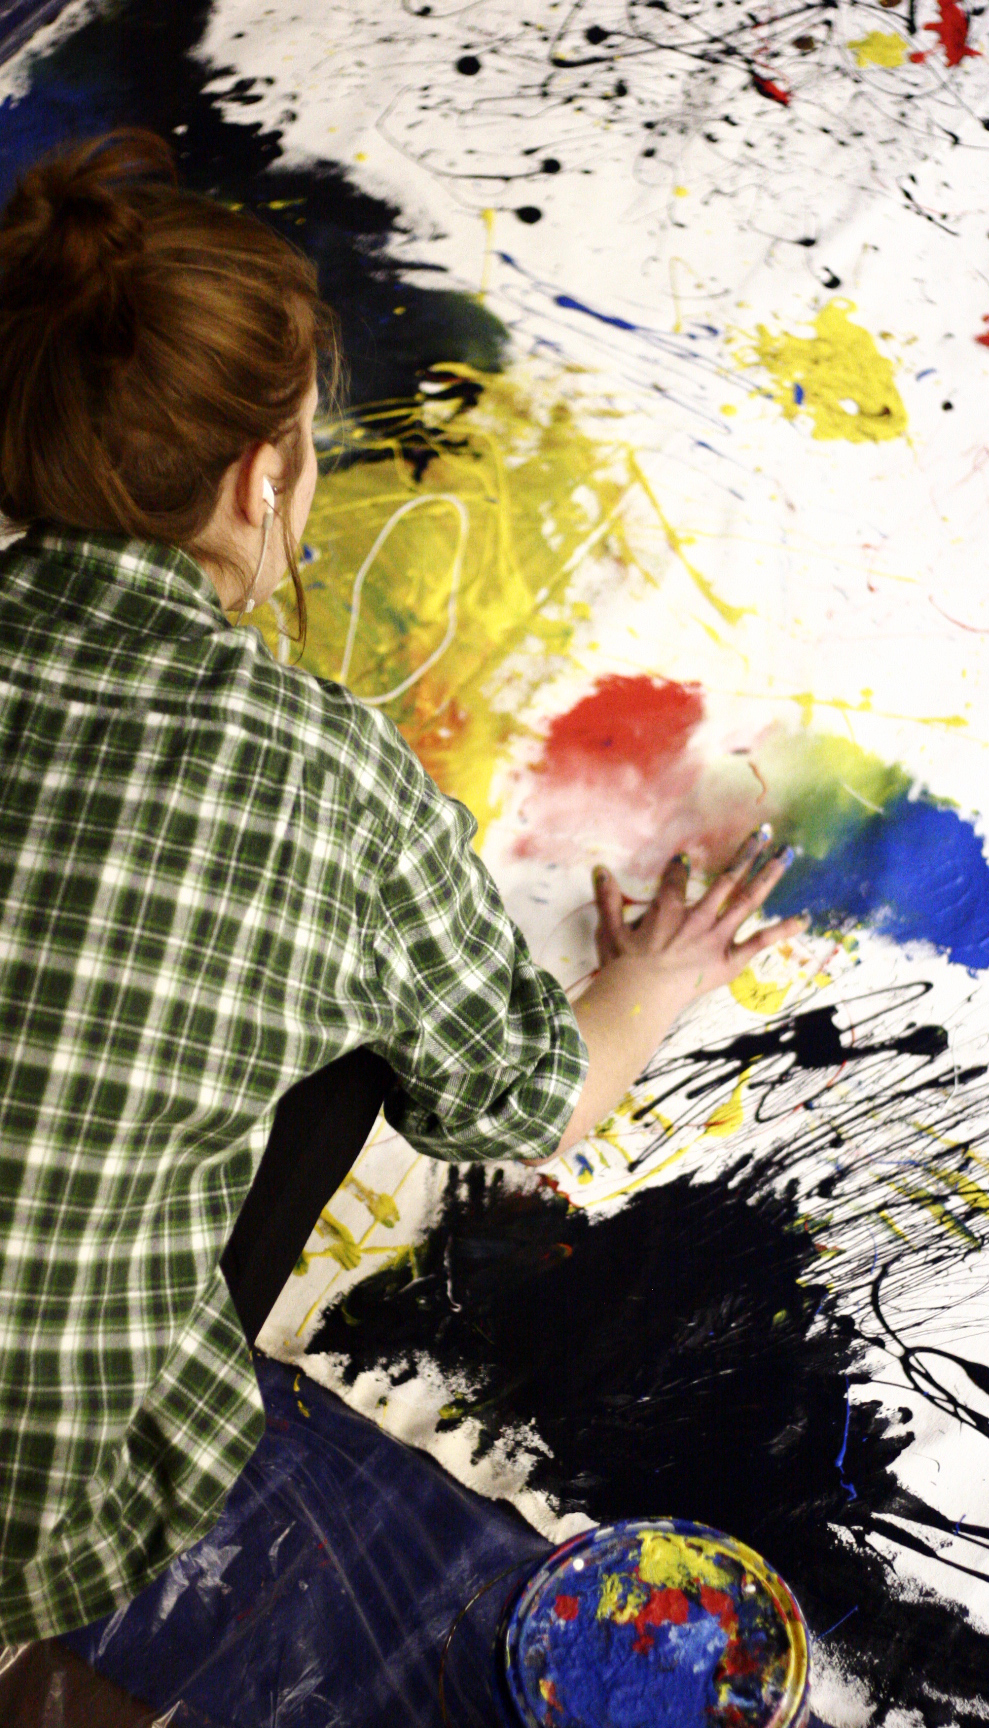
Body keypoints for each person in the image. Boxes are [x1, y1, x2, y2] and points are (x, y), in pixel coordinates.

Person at [0, 131, 804, 1645]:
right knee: (356, 1058)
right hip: (28, 1533)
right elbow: (523, 1108)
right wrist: (649, 979)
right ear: (264, 475)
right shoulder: (325, 773)